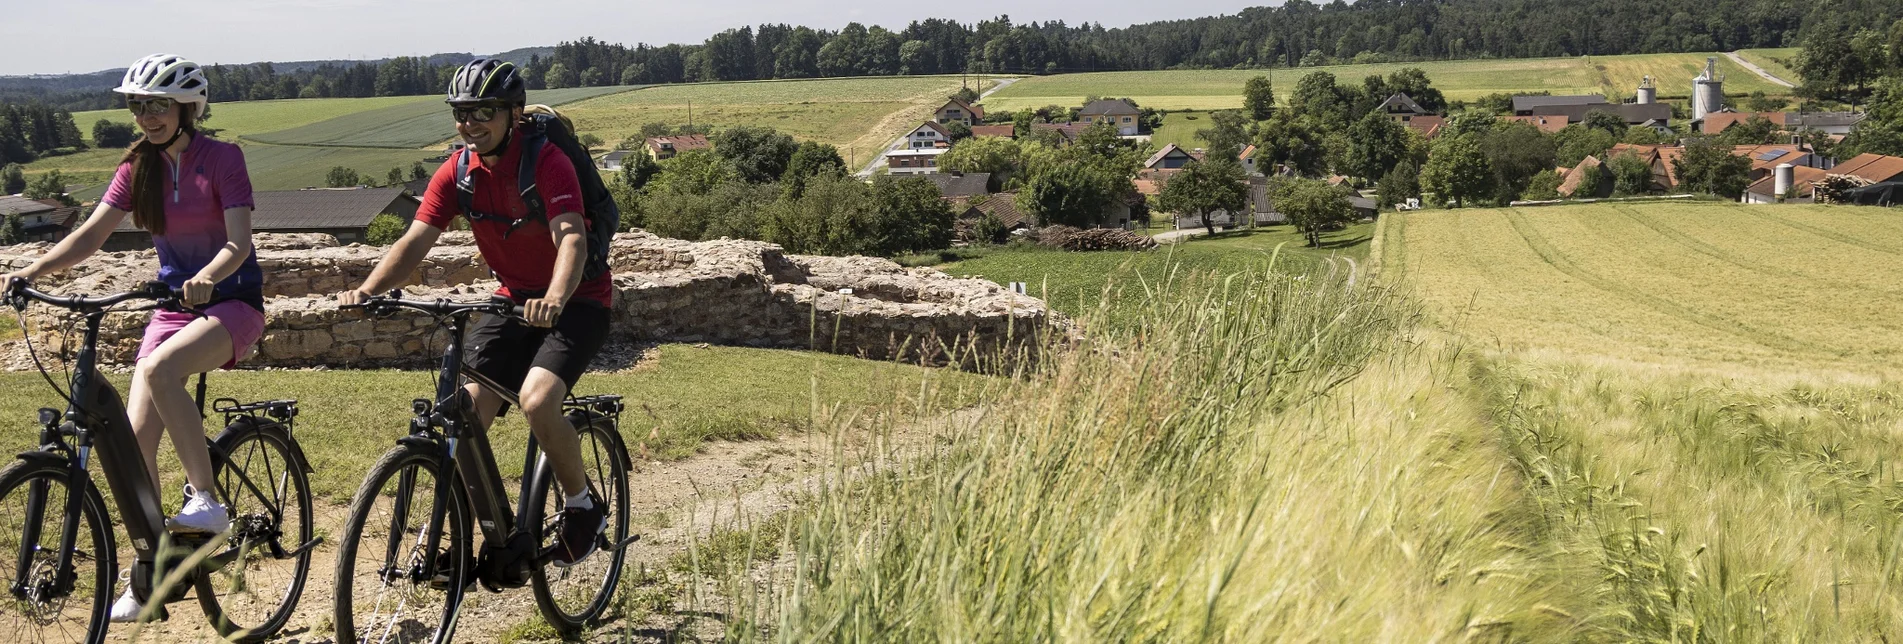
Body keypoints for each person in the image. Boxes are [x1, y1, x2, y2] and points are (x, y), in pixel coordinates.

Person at [2, 53, 263, 621]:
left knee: (156, 370)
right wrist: (32, 272)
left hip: (231, 302)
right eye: (138, 104)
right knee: (129, 451)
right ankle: (148, 579)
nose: (147, 115)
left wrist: (208, 277)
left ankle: (207, 500)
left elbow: (239, 242)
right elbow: (90, 236)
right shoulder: (136, 167)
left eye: (159, 104)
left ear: (187, 108)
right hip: (172, 309)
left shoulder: (223, 159)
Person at [337, 58, 612, 568]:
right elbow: (417, 237)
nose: (471, 124)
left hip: (577, 299)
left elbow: (571, 235)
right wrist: (369, 289)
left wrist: (554, 297)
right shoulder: (458, 171)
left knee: (536, 400)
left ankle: (582, 506)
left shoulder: (548, 162)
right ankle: (457, 533)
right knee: (464, 411)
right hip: (511, 300)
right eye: (462, 113)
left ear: (514, 113)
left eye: (484, 111)